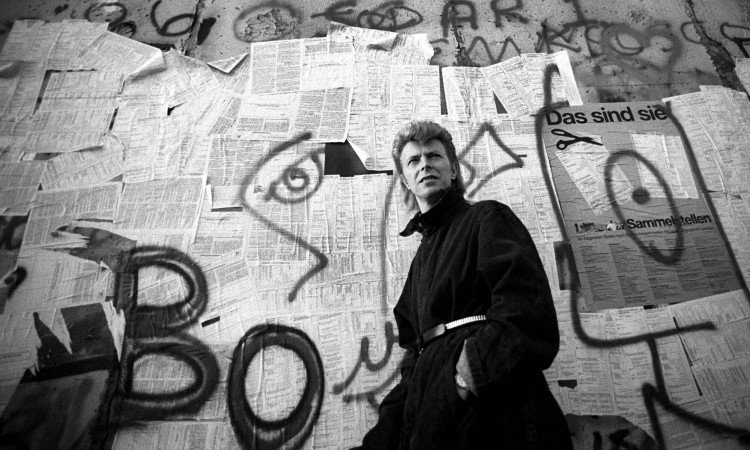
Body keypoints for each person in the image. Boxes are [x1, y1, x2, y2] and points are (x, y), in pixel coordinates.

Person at [359, 121, 572, 449]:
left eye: (434, 156)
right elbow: (414, 359)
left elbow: (526, 314)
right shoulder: (420, 261)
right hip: (435, 416)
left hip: (497, 414)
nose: (425, 164)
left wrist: (463, 381)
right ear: (404, 179)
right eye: (414, 161)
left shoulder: (487, 218)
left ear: (454, 169)